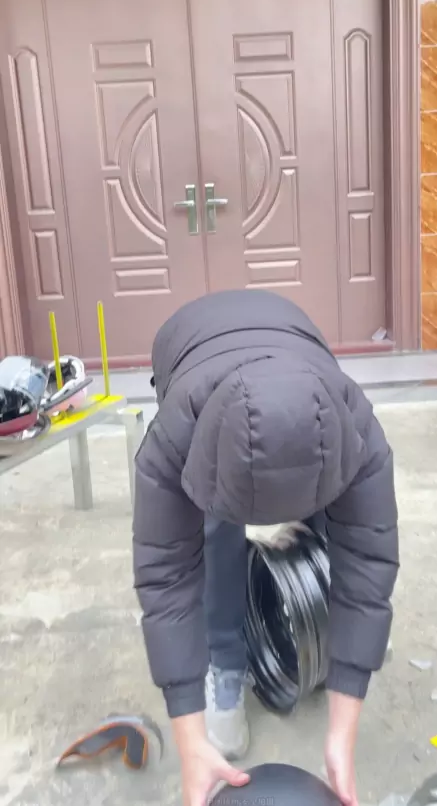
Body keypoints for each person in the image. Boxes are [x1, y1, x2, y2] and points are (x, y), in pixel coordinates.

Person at [133, 289, 399, 806]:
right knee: (214, 527)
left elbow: (367, 563)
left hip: (294, 335)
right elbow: (167, 580)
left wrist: (342, 730)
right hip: (188, 343)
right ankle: (226, 667)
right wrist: (190, 739)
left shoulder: (357, 429)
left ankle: (341, 645)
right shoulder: (174, 440)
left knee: (334, 515)